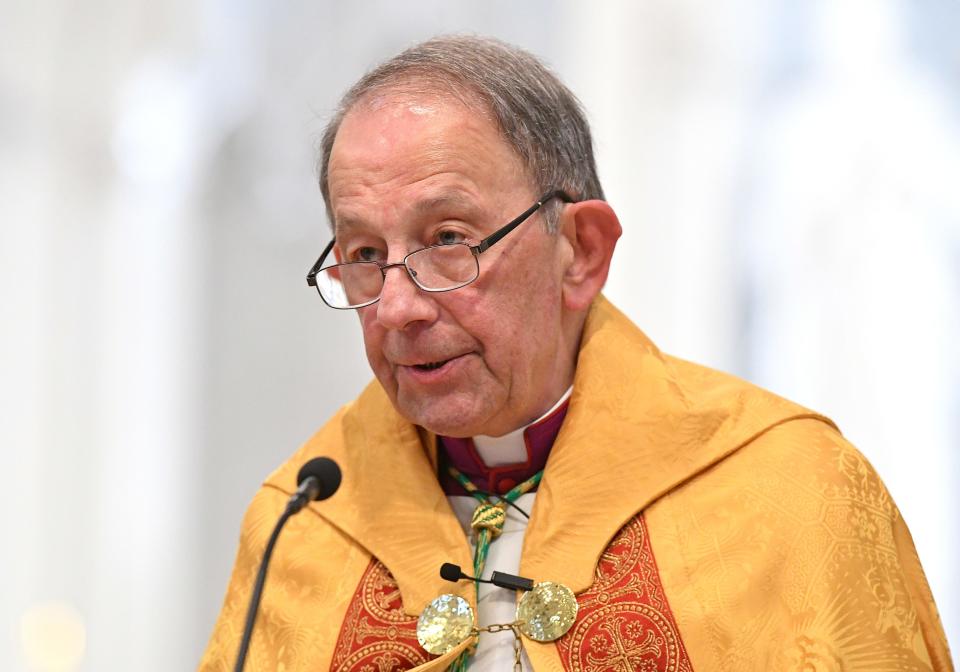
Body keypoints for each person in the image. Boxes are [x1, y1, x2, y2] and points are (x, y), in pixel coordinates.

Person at [200, 36, 953, 672]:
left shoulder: (784, 492)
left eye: (450, 240)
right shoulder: (304, 520)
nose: (396, 306)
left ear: (582, 253)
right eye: (364, 252)